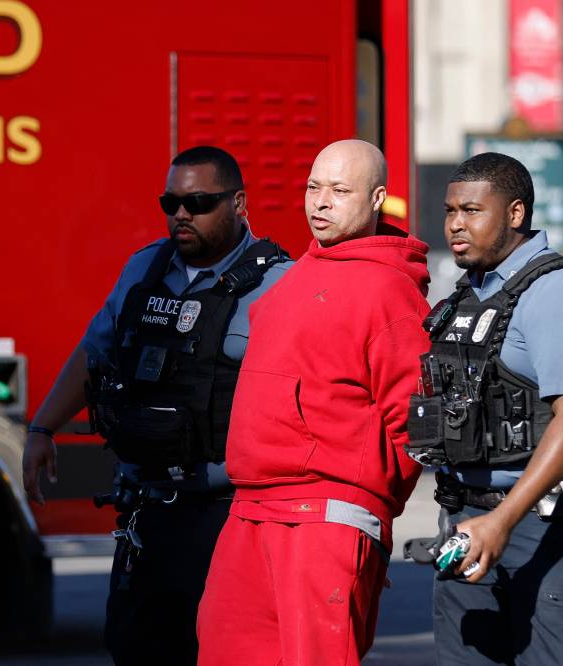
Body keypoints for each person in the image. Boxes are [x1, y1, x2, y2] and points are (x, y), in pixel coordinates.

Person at [21, 145, 291, 665]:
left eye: (199, 201)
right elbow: (94, 353)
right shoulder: (144, 270)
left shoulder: (279, 284)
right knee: (135, 649)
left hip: (227, 517)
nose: (182, 214)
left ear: (238, 203)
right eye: (171, 202)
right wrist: (41, 429)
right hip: (146, 508)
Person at [197, 139, 431, 665]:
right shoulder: (296, 275)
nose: (320, 202)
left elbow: (415, 425)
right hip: (251, 506)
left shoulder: (391, 290)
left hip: (327, 513)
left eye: (339, 190)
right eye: (313, 187)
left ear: (376, 199)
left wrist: (364, 503)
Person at [405, 152, 563, 664]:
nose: (456, 224)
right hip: (468, 524)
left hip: (543, 531)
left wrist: (502, 521)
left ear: (516, 213)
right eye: (451, 210)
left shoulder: (555, 289)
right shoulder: (468, 295)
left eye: (473, 211)